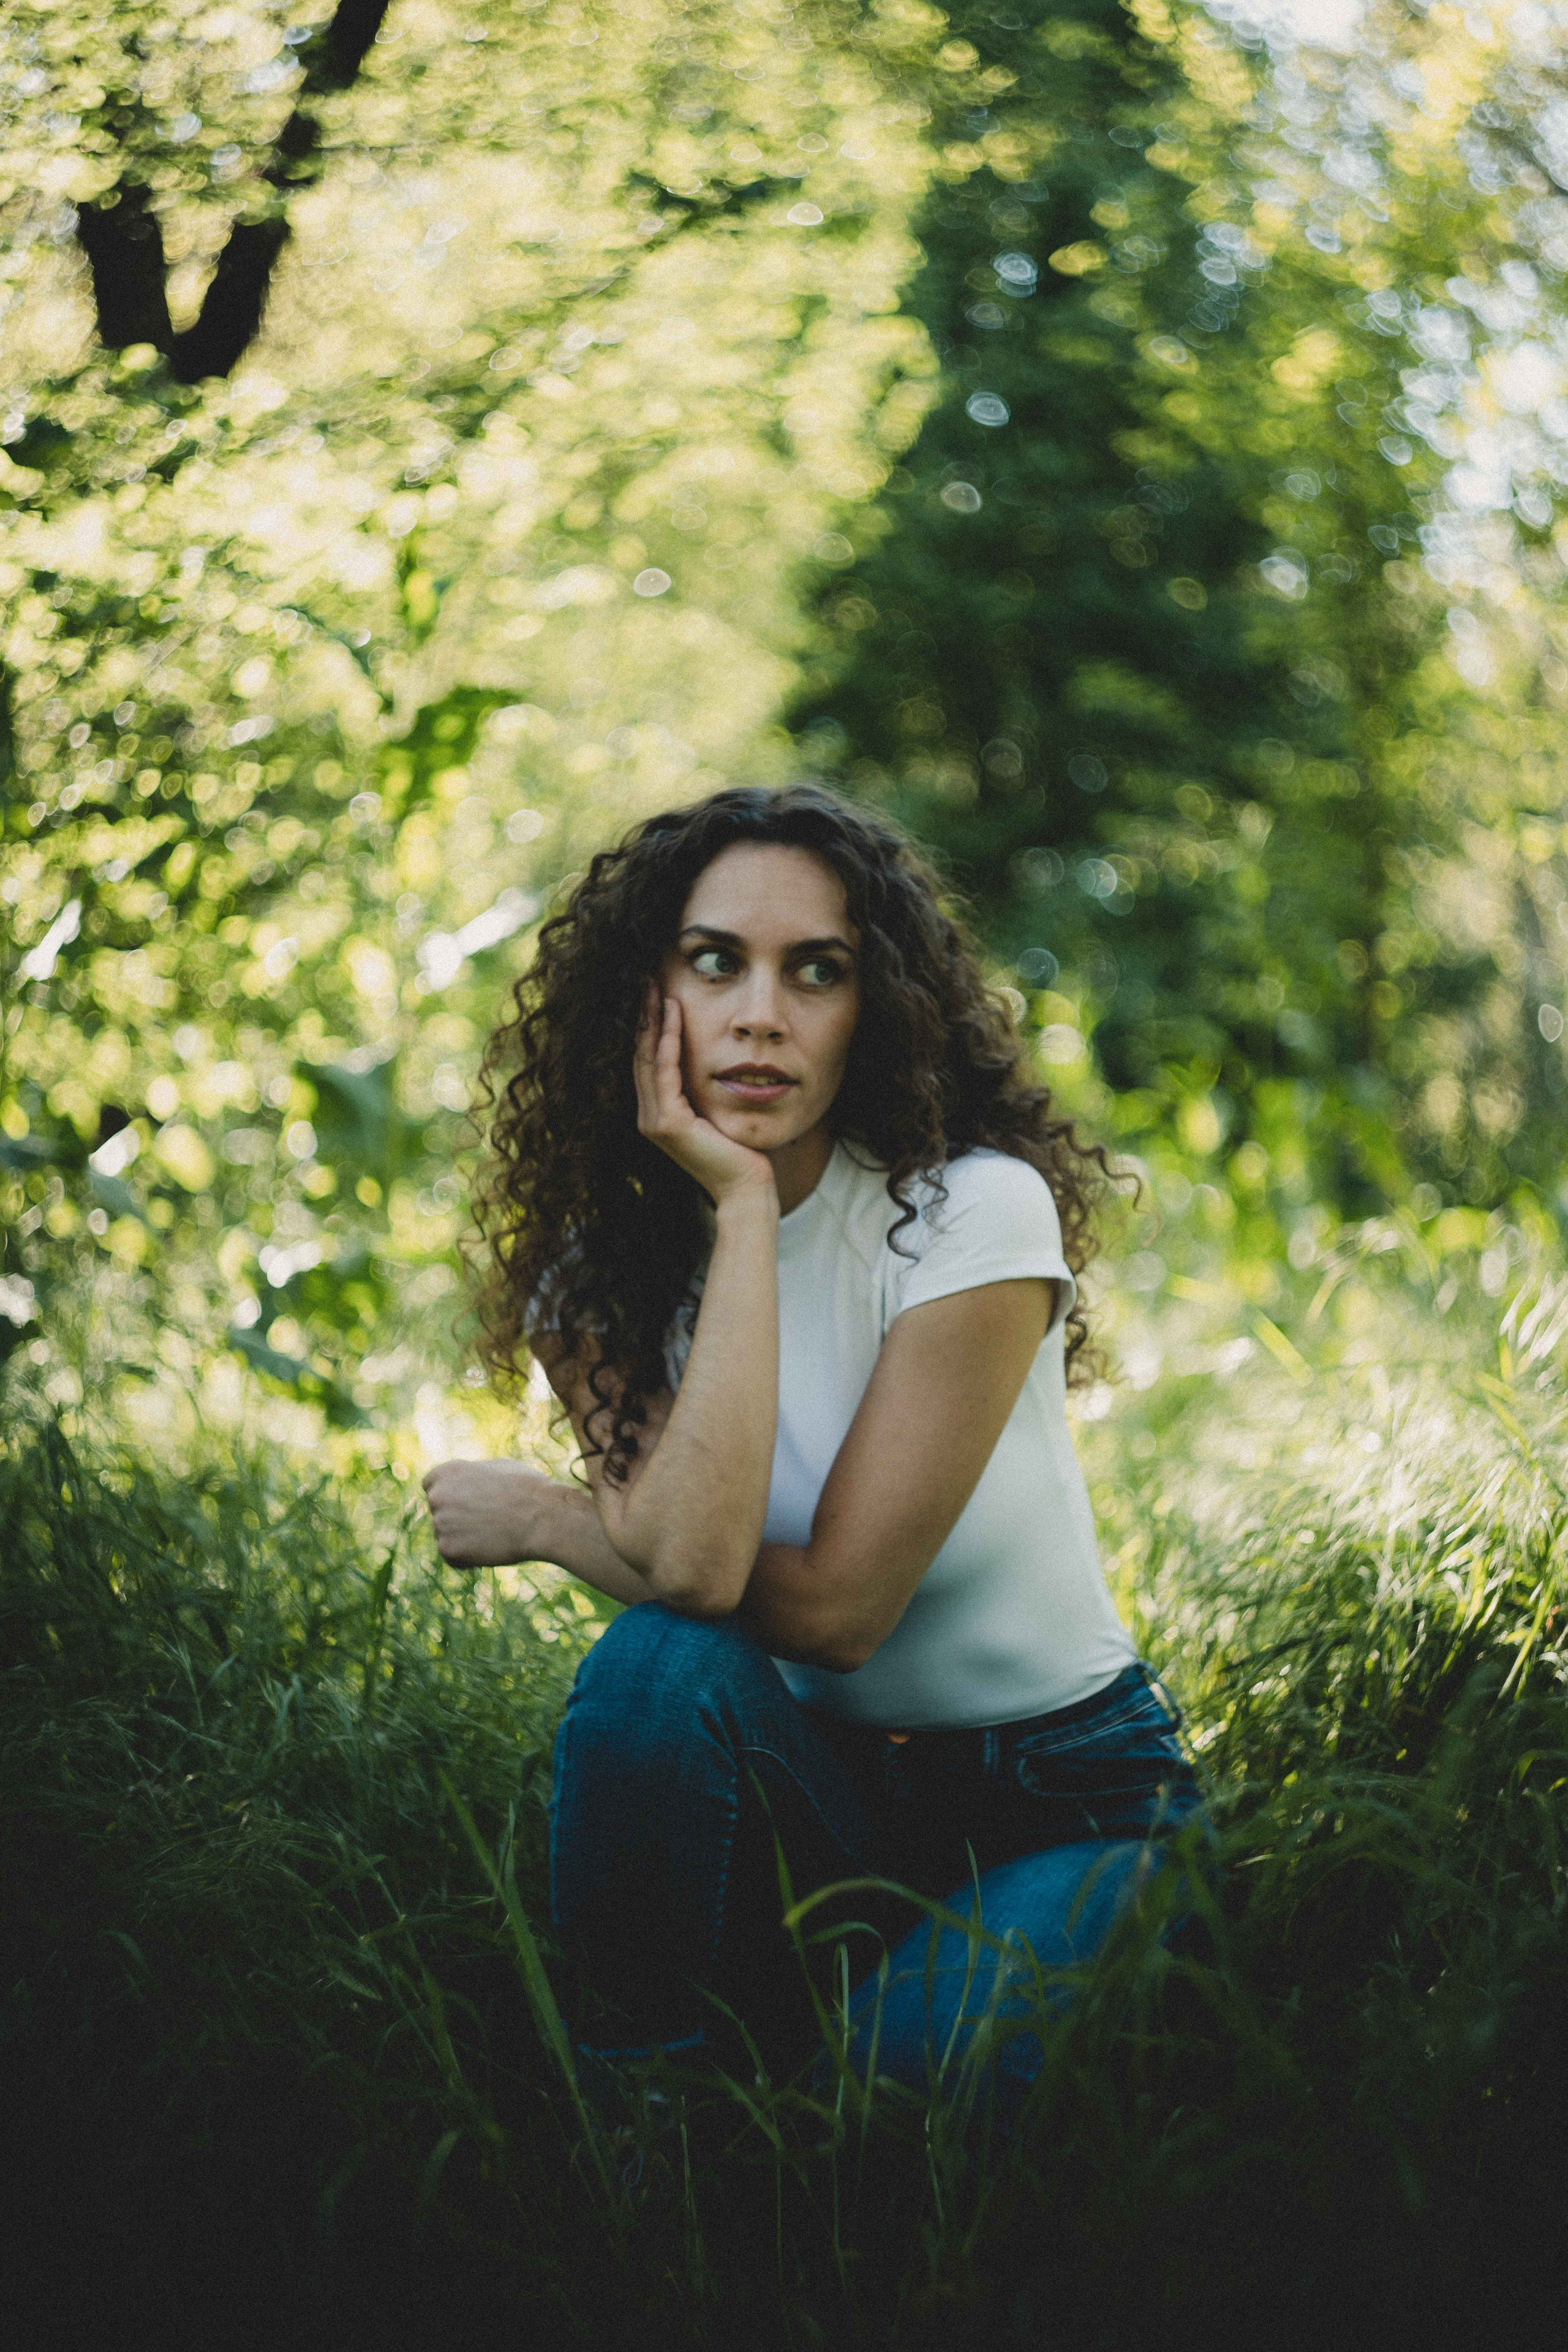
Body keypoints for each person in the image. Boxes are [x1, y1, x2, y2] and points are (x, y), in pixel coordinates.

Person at [424, 783, 1202, 2089]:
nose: (759, 1016)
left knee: (867, 2108)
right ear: (642, 990)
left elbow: (837, 1609)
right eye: (713, 961)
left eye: (817, 972)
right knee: (659, 1662)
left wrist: (559, 1522)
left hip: (1061, 1804)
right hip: (816, 1792)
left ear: (873, 1010)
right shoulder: (594, 1281)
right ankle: (640, 2128)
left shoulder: (970, 1215)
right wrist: (736, 1217)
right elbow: (690, 1570)